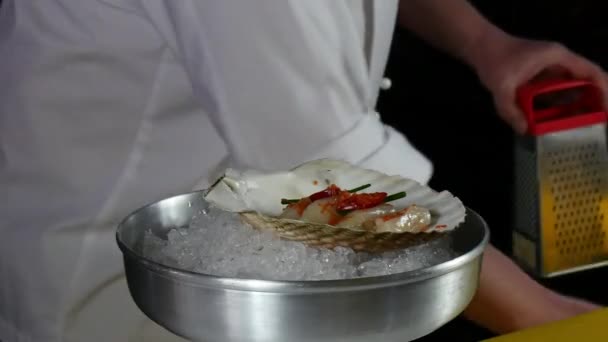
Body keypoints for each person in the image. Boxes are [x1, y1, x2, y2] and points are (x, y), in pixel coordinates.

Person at [0, 1, 605, 341]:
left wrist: (484, 41)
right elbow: (331, 173)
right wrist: (548, 319)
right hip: (123, 290)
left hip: (265, 244)